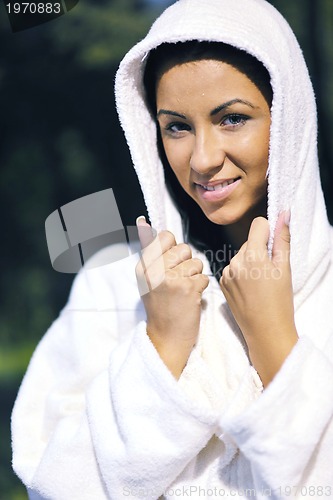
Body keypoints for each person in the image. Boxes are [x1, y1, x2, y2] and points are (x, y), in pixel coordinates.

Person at [11, 0, 333, 498]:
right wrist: (160, 344)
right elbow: (52, 485)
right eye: (177, 126)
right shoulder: (111, 283)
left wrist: (275, 343)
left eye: (231, 118)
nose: (203, 159)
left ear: (288, 121)